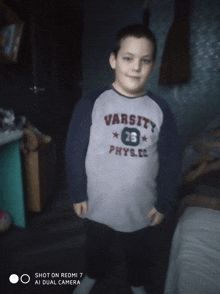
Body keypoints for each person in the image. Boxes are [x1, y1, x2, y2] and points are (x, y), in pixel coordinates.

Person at [65, 23, 180, 294]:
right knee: (95, 246)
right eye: (128, 58)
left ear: (152, 66)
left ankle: (137, 284)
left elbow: (171, 160)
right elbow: (73, 151)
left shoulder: (161, 109)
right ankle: (92, 274)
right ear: (113, 60)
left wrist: (164, 201)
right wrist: (77, 192)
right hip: (97, 201)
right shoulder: (92, 103)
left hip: (140, 205)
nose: (135, 67)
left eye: (145, 60)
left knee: (138, 252)